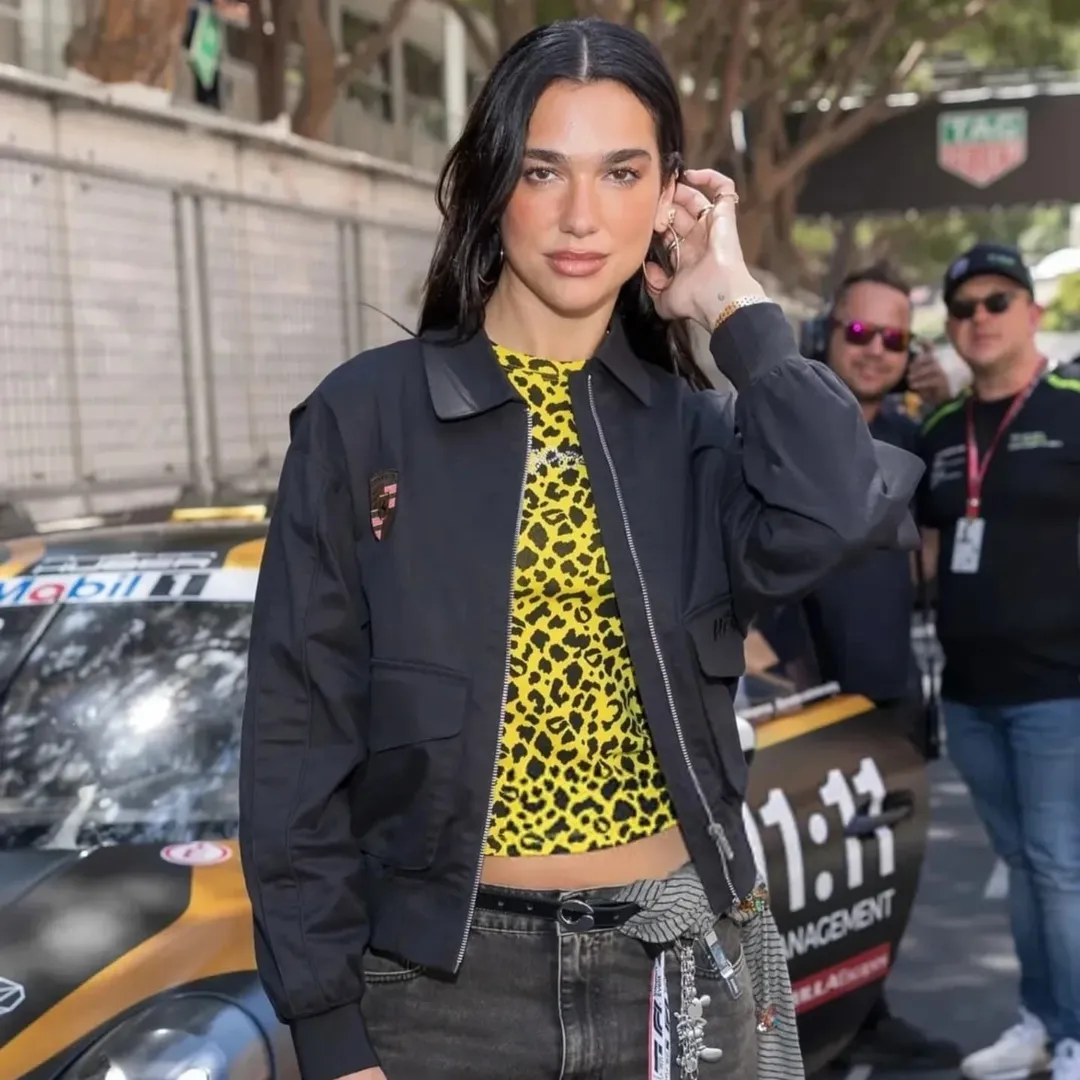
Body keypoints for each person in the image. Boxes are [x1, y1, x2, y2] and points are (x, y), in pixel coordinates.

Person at [238, 19, 922, 1080]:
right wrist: (328, 1028)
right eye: (542, 169)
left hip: (679, 969)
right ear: (490, 184)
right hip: (443, 996)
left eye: (622, 174)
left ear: (668, 198)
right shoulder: (366, 418)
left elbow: (841, 509)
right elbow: (297, 733)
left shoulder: (697, 431)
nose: (580, 215)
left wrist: (733, 307)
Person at [766, 264, 962, 1072]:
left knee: (880, 878)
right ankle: (802, 1041)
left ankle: (867, 1017)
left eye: (893, 338)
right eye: (859, 331)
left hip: (890, 698)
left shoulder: (916, 434)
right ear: (826, 334)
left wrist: (946, 399)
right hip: (802, 705)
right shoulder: (778, 424)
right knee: (802, 890)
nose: (876, 348)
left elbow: (943, 533)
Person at [920, 242, 1080, 1080]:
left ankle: (1075, 1034)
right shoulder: (942, 429)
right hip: (969, 694)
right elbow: (921, 546)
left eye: (997, 301)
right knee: (1024, 865)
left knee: (1058, 867)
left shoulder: (1073, 405)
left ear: (1032, 312)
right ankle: (1040, 1021)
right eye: (963, 307)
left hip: (1060, 691)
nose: (978, 317)